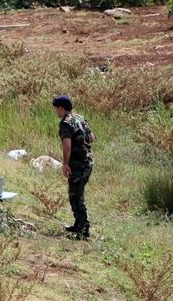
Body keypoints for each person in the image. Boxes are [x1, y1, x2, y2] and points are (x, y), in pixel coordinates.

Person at [53, 95, 95, 240]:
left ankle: (83, 230)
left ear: (61, 108)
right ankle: (78, 225)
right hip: (88, 161)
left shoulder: (65, 123)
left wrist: (65, 164)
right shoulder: (80, 118)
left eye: (56, 109)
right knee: (77, 194)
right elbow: (91, 138)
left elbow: (67, 145)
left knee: (76, 196)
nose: (56, 112)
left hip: (78, 164)